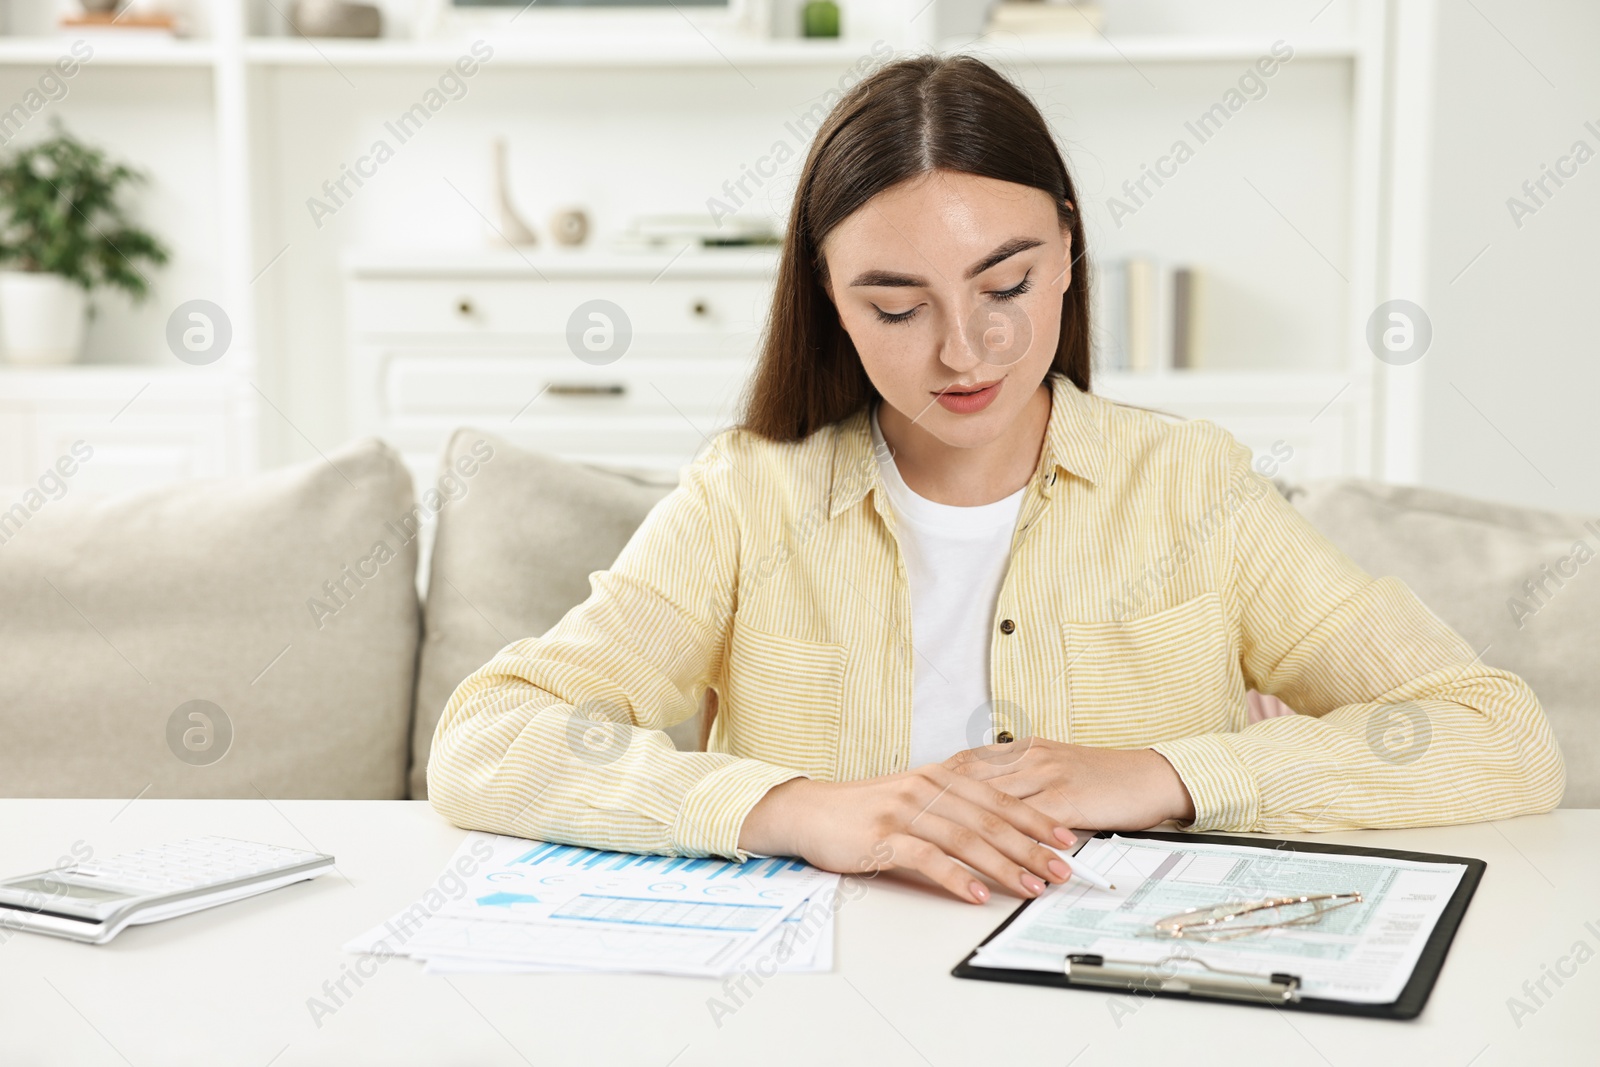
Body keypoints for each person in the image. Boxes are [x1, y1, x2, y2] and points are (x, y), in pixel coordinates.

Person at [427, 54, 1565, 906]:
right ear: (827, 296)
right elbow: (485, 737)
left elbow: (1495, 734)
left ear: (1067, 249)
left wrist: (1164, 773)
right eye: (895, 305)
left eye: (1004, 284)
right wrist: (801, 809)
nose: (963, 352)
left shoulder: (1193, 485)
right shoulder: (747, 495)